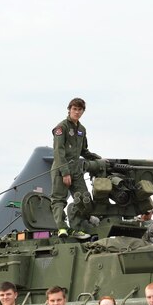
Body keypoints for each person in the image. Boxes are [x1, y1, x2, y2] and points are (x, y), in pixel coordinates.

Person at [50, 97, 101, 238]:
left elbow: (84, 151)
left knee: (84, 199)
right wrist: (65, 172)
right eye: (74, 109)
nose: (77, 112)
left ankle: (77, 227)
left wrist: (99, 159)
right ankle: (62, 227)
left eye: (80, 110)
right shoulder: (61, 127)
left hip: (76, 169)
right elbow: (58, 151)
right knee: (59, 199)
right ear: (69, 110)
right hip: (61, 168)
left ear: (83, 112)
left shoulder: (82, 130)